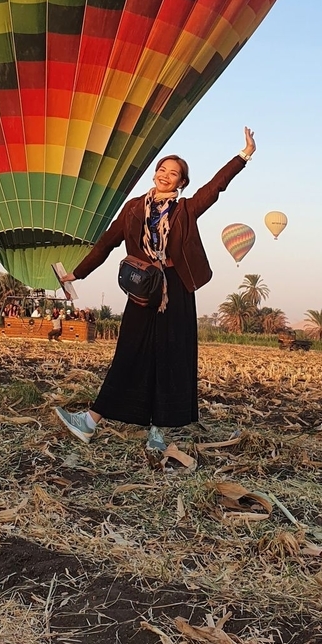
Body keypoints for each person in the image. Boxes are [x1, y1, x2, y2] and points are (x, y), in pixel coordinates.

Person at [54, 128, 256, 454]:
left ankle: (157, 432)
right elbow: (107, 242)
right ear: (155, 173)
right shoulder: (134, 208)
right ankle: (89, 421)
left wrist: (243, 155)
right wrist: (76, 274)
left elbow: (216, 187)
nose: (165, 176)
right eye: (162, 169)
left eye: (173, 173)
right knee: (129, 353)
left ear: (182, 183)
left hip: (175, 290)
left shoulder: (185, 209)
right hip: (143, 288)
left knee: (169, 357)